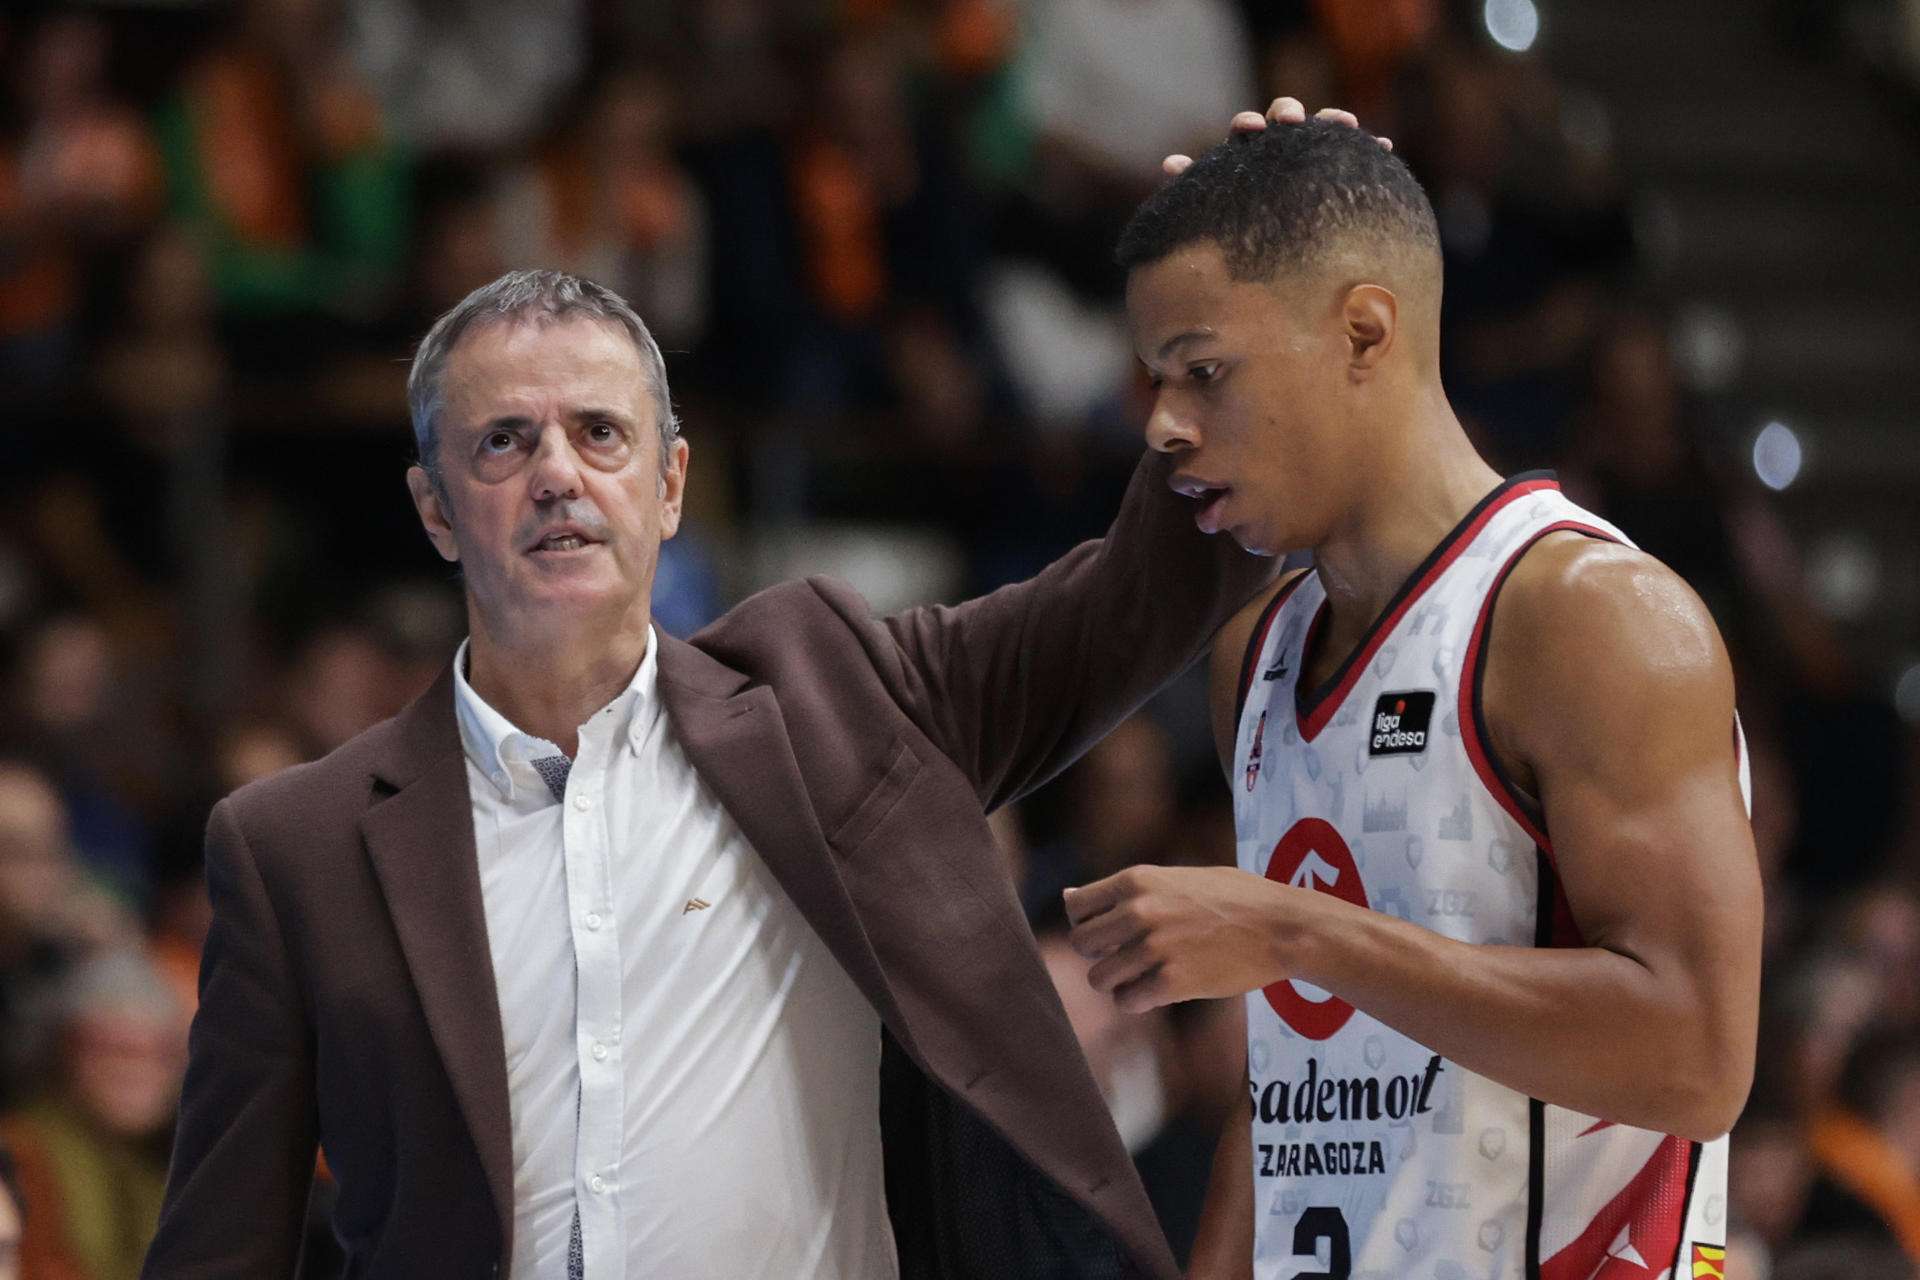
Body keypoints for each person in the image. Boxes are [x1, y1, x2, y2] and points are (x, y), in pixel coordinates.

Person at [139, 265, 1280, 1279]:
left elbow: (1142, 593)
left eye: (600, 433)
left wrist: (1252, 316)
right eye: (503, 441)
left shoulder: (839, 702)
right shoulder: (294, 847)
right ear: (434, 507)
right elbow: (220, 1246)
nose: (556, 474)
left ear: (671, 485)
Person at [1064, 117, 1762, 1277]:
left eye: (1205, 370)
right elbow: (1292, 1088)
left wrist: (1295, 931)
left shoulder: (1592, 618)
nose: (1163, 425)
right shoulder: (1260, 653)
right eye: (1156, 379)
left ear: (1364, 331)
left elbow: (1698, 1057)